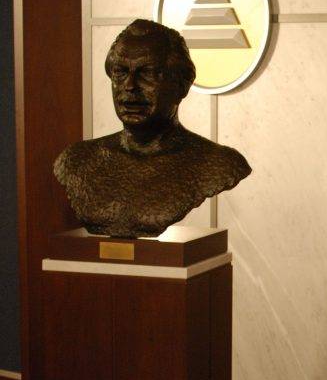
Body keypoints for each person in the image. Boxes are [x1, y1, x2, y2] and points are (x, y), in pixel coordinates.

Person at [54, 19, 251, 238]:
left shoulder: (218, 164)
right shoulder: (77, 159)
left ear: (182, 85)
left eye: (147, 73)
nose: (130, 86)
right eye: (120, 72)